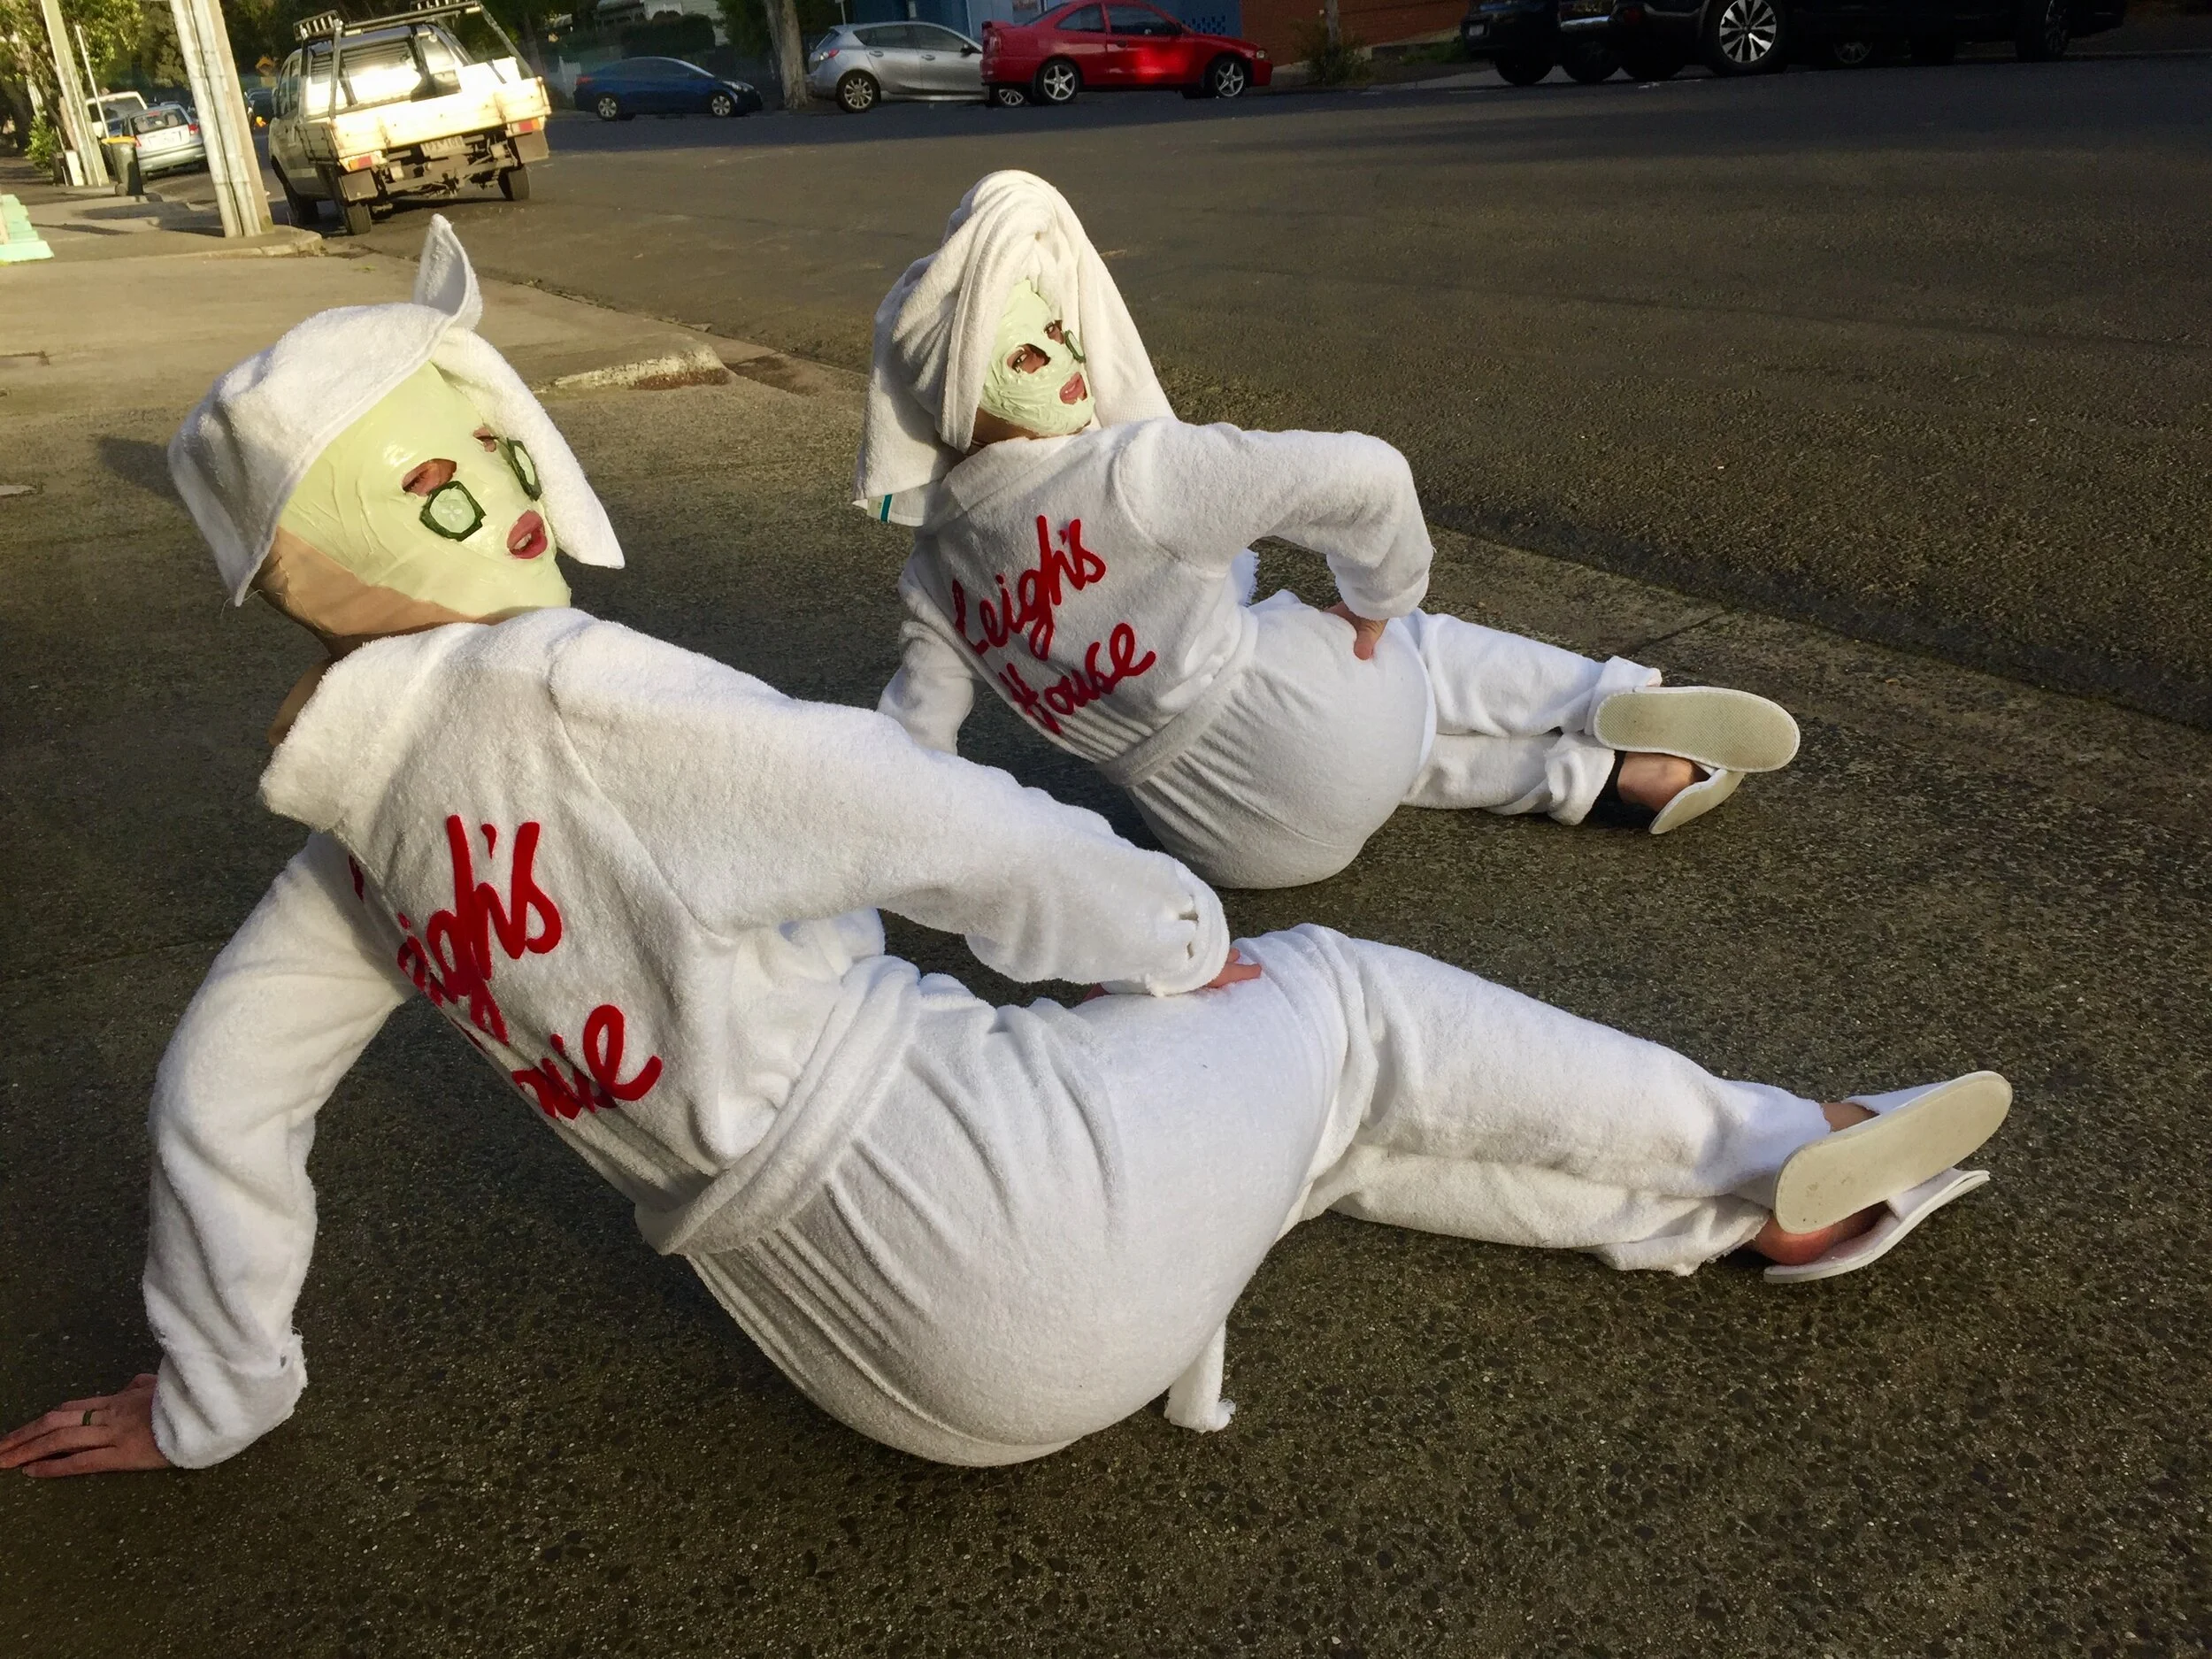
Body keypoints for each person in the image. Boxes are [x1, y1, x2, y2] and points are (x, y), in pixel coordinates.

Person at [1, 222, 2008, 1480]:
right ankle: (1768, 1136)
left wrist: (212, 1391)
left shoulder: (352, 843)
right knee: (1335, 1004)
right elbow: (936, 819)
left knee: (1306, 1128)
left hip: (870, 1360)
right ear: (475, 473)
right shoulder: (588, 691)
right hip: (991, 1200)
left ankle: (1750, 1211)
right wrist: (1172, 932)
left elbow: (216, 1103)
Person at [862, 172, 1804, 889]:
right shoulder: (1132, 472)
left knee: (1381, 754)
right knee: (1405, 657)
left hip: (1226, 846)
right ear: (958, 391)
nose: (1069, 367)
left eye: (1063, 338)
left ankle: (1602, 784)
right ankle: (1603, 696)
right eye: (1031, 351)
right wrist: (1376, 599)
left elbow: (915, 744)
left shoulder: (932, 576)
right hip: (1322, 720)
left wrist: (935, 865)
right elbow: (1367, 476)